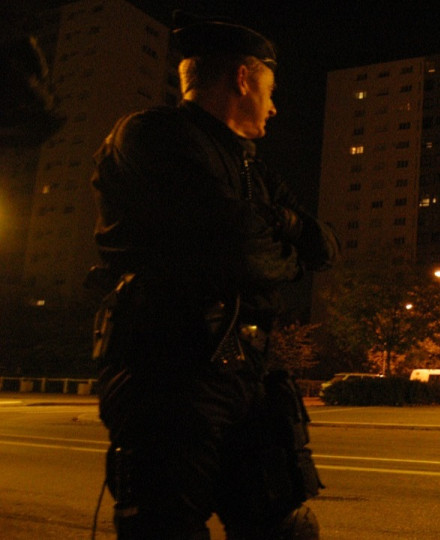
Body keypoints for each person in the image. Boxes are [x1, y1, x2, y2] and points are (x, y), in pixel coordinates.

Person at [89, 11, 339, 539]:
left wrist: (277, 227)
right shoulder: (150, 135)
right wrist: (277, 247)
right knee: (166, 525)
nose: (275, 106)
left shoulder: (253, 166)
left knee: (286, 525)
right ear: (243, 77)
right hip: (172, 368)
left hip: (249, 372)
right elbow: (236, 250)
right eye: (269, 89)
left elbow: (322, 247)